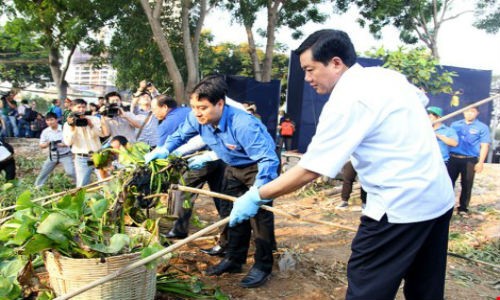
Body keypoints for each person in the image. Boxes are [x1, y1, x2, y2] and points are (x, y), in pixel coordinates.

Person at [229, 29, 455, 299]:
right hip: (438, 199)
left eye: (310, 69)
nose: (307, 78)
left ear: (336, 63)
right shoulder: (385, 75)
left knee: (366, 285)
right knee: (425, 289)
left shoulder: (346, 101)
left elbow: (311, 168)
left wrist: (257, 195)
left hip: (398, 209)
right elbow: (421, 99)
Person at [145, 75, 280, 288]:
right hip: (233, 167)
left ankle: (263, 266)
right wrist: (165, 149)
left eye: (203, 107)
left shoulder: (243, 124)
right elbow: (180, 135)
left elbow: (268, 159)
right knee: (232, 214)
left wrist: (257, 192)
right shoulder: (195, 118)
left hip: (258, 168)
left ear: (220, 103)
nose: (197, 112)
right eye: (194, 106)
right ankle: (234, 259)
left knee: (259, 217)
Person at [448, 106, 490, 215]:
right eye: (467, 111)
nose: (469, 113)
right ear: (463, 112)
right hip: (453, 158)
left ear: (477, 113)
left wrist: (480, 162)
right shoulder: (455, 125)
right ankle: (447, 206)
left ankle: (463, 208)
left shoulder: (482, 127)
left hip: (469, 160)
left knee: (466, 184)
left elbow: (484, 146)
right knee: (448, 183)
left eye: (472, 111)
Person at [63, 98, 109, 187]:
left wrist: (91, 125)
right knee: (82, 185)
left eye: (83, 107)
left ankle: (107, 199)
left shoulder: (94, 119)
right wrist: (72, 128)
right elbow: (68, 142)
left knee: (105, 182)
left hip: (98, 156)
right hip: (82, 158)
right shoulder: (67, 124)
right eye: (78, 107)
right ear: (72, 108)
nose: (81, 110)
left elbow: (102, 135)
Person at [34, 112, 76, 188]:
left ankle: (80, 185)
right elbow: (41, 145)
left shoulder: (64, 129)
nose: (50, 122)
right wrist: (48, 143)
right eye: (48, 120)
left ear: (56, 120)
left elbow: (72, 141)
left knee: (71, 172)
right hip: (52, 155)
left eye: (52, 120)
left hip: (65, 155)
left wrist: (64, 144)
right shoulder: (45, 132)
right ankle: (37, 187)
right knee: (44, 171)